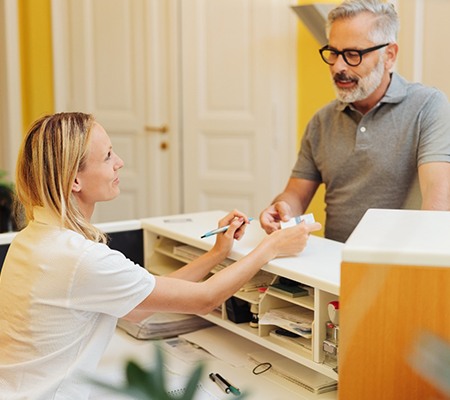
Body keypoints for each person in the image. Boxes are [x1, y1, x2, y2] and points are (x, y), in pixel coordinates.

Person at [0, 112, 321, 399]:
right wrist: (271, 247)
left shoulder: (33, 239)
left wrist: (217, 253)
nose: (120, 162)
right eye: (108, 155)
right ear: (75, 180)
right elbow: (205, 299)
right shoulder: (80, 259)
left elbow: (138, 307)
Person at [260, 0, 450, 243]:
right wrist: (280, 210)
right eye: (334, 52)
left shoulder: (428, 107)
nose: (338, 66)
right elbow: (295, 194)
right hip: (333, 267)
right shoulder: (322, 121)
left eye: (352, 55)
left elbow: (438, 202)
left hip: (399, 269)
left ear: (389, 56)